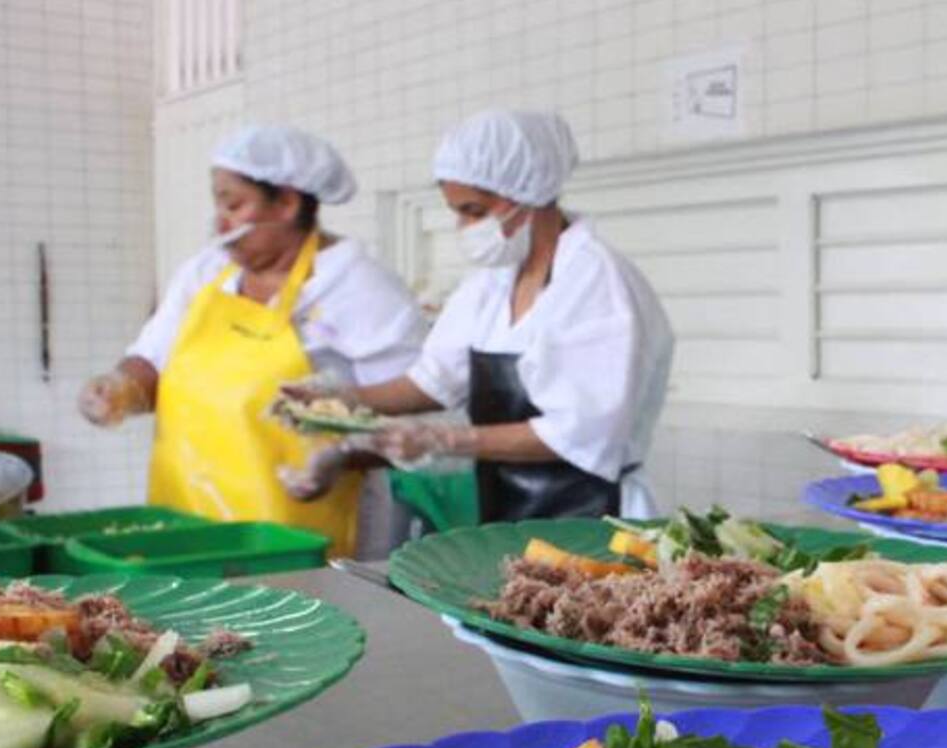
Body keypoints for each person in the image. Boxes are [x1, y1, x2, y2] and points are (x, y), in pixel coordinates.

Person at [284, 109, 674, 522]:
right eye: (457, 212)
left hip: (593, 513)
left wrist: (445, 439)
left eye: (474, 211)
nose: (464, 227)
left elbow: (580, 434)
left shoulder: (596, 285)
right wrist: (341, 399)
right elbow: (432, 382)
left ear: (531, 193)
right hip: (507, 508)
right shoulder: (490, 284)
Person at [78, 124, 425, 557]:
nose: (219, 222)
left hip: (299, 538)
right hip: (184, 525)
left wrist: (342, 456)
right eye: (217, 203)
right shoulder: (205, 273)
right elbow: (151, 360)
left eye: (234, 204)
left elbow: (413, 415)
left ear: (286, 202)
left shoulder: (359, 288)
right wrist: (120, 388)